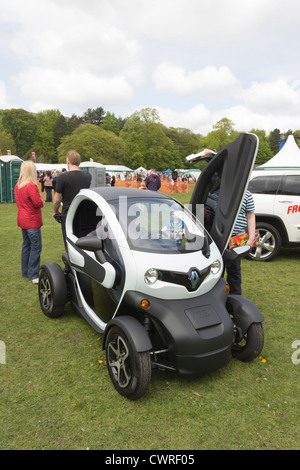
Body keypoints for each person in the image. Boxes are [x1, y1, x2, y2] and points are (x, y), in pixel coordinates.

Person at [53, 150, 92, 248]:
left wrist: (55, 210)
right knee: (82, 243)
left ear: (68, 161)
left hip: (69, 214)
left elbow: (57, 199)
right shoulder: (88, 176)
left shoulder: (62, 177)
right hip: (83, 214)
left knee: (70, 243)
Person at [14, 160, 44, 285]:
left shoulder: (18, 185)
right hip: (31, 220)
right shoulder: (30, 186)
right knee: (35, 247)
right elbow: (38, 203)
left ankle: (26, 272)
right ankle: (33, 275)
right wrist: (41, 202)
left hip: (23, 218)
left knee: (27, 245)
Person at [225, 190, 256, 295]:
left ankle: (235, 296)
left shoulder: (246, 194)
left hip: (237, 238)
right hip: (220, 237)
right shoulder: (219, 192)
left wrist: (251, 237)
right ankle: (218, 296)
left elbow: (250, 216)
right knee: (217, 269)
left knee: (234, 270)